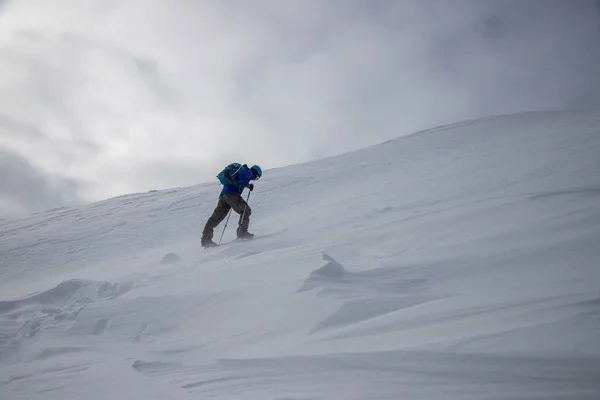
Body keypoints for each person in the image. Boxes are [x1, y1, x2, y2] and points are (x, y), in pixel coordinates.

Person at [201, 164, 263, 247]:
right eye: (257, 177)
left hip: (223, 195)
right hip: (232, 194)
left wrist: (247, 185)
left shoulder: (242, 170)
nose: (255, 179)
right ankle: (242, 233)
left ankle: (206, 240)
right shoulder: (248, 171)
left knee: (215, 218)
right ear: (255, 172)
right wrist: (248, 185)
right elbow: (242, 177)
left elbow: (240, 180)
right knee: (246, 210)